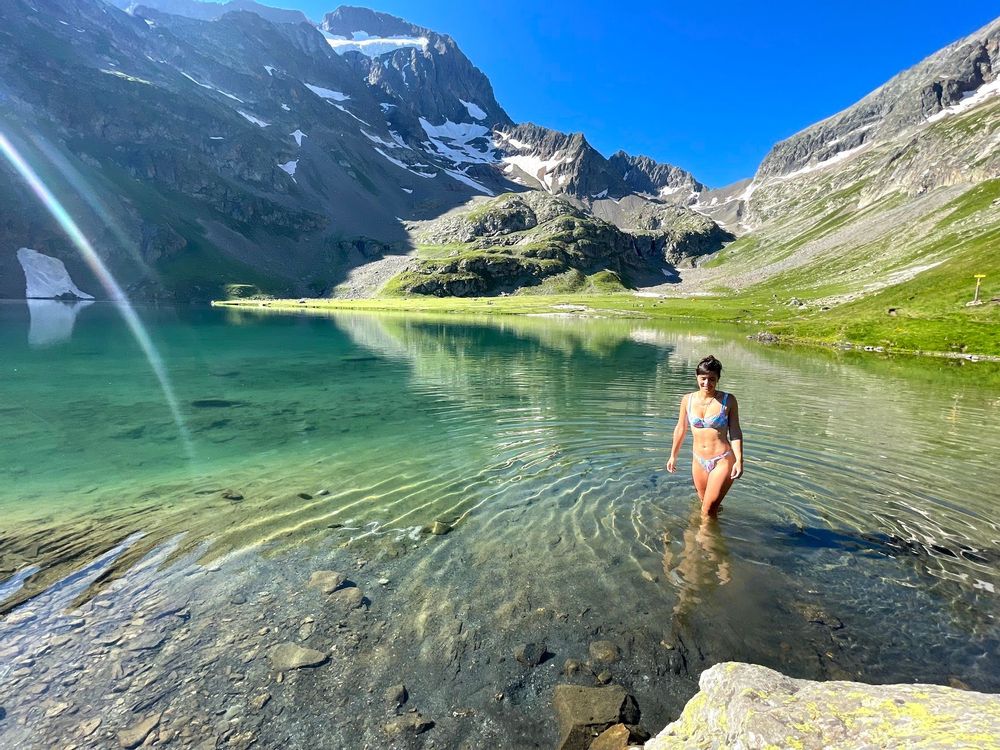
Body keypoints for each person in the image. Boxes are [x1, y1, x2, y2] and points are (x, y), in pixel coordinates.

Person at [666, 355, 744, 515]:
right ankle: (713, 524)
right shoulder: (687, 400)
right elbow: (681, 428)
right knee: (705, 505)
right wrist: (673, 456)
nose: (707, 383)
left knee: (707, 510)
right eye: (703, 379)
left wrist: (739, 460)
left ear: (718, 379)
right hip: (698, 460)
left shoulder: (728, 401)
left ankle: (702, 531)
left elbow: (735, 431)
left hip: (722, 459)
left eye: (712, 379)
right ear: (697, 377)